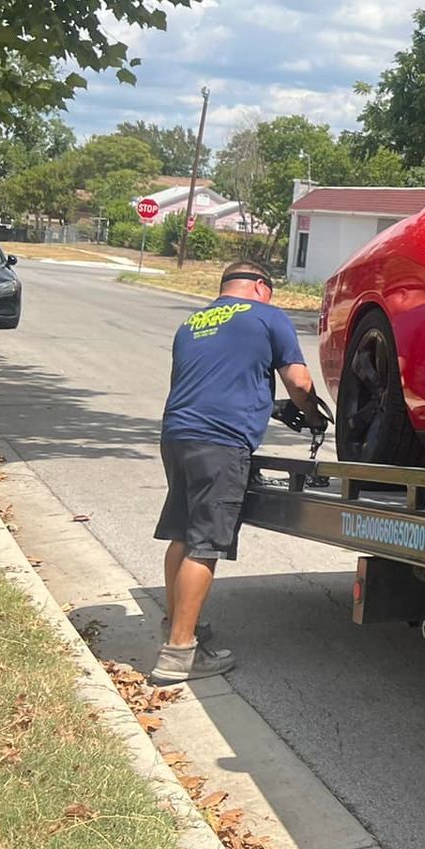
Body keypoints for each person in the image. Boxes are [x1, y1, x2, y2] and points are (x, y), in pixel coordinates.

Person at [151, 260, 324, 681]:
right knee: (206, 544)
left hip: (177, 435)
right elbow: (299, 382)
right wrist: (312, 415)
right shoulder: (268, 316)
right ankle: (179, 653)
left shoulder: (192, 323)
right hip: (221, 443)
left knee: (182, 533)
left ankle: (178, 625)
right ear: (262, 287)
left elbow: (210, 380)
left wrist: (268, 407)